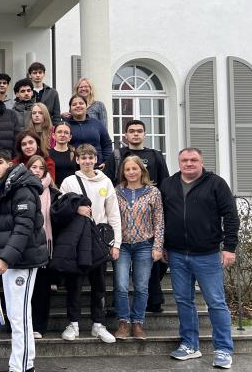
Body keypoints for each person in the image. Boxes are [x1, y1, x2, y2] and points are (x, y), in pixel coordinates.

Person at [159, 148, 238, 369]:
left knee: (216, 302)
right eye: (184, 160)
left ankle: (223, 349)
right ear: (179, 162)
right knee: (184, 301)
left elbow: (231, 216)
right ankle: (189, 345)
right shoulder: (168, 184)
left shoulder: (216, 183)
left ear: (201, 162)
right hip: (176, 254)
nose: (189, 163)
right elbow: (161, 218)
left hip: (207, 254)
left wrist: (229, 247)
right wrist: (163, 245)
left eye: (194, 160)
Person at [0, 148, 48, 372]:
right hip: (12, 260)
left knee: (19, 316)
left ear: (9, 163)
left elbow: (23, 227)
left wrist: (5, 258)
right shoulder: (7, 186)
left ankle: (20, 367)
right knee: (16, 314)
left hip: (23, 260)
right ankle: (23, 365)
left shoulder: (22, 188)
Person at [103, 119, 171, 313]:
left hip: (148, 216)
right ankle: (120, 307)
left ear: (144, 134)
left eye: (139, 131)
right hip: (122, 218)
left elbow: (165, 184)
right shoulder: (117, 155)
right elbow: (106, 182)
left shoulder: (155, 155)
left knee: (151, 269)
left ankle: (154, 301)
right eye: (131, 131)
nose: (135, 134)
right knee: (121, 278)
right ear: (125, 135)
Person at [58, 144, 121, 344]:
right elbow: (59, 209)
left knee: (99, 285)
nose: (87, 161)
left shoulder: (106, 182)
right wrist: (76, 209)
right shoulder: (69, 182)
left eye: (90, 158)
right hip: (77, 240)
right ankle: (73, 323)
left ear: (95, 160)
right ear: (77, 160)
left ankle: (98, 324)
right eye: (83, 158)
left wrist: (116, 243)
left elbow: (113, 213)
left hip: (99, 239)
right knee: (74, 284)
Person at [112, 155, 164, 341]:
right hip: (122, 245)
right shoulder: (116, 192)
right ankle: (123, 322)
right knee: (121, 285)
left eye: (135, 168)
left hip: (144, 245)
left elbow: (159, 221)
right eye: (127, 169)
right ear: (123, 172)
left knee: (141, 286)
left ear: (142, 170)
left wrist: (158, 246)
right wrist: (112, 243)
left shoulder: (153, 192)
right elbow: (111, 218)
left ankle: (137, 322)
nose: (131, 172)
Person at [25, 155, 60, 340]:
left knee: (41, 289)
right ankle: (23, 325)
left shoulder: (53, 192)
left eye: (41, 168)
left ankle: (39, 326)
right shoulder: (20, 189)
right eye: (34, 167)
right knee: (24, 289)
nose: (37, 171)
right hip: (25, 246)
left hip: (45, 246)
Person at [66, 94, 112, 165]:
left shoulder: (97, 123)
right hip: (72, 167)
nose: (78, 106)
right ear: (70, 108)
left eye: (81, 103)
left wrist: (106, 162)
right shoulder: (65, 125)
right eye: (74, 104)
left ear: (86, 106)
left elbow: (107, 144)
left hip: (96, 166)